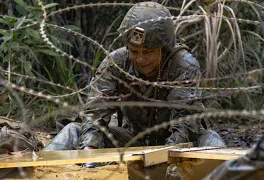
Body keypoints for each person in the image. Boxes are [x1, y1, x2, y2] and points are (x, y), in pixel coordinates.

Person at [44, 2, 225, 156]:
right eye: (134, 51)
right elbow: (95, 114)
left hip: (180, 145)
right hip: (133, 140)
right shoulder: (116, 63)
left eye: (148, 52)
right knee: (73, 130)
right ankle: (36, 170)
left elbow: (185, 124)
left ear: (164, 49)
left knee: (212, 139)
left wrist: (164, 157)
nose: (140, 59)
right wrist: (89, 150)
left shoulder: (184, 65)